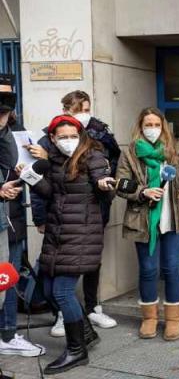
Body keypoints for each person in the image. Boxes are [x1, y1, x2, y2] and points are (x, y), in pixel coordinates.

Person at [28, 115, 116, 374]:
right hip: (58, 233)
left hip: (81, 234)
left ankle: (77, 350)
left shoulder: (93, 156)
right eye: (62, 137)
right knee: (46, 288)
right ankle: (85, 333)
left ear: (81, 136)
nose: (68, 141)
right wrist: (31, 177)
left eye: (72, 136)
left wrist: (103, 184)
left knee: (62, 291)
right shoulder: (55, 160)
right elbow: (53, 193)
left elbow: (105, 184)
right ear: (53, 139)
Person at [116, 107, 179, 341]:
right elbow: (120, 183)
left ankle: (174, 319)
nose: (153, 129)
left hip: (175, 218)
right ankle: (149, 318)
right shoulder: (130, 152)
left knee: (171, 267)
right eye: (148, 124)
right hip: (143, 219)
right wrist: (142, 191)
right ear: (140, 126)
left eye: (157, 124)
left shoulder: (175, 146)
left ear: (163, 126)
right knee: (148, 269)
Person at [0, 75, 45, 358]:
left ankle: (7, 333)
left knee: (9, 276)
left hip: (12, 218)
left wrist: (39, 159)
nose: (3, 104)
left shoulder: (15, 128)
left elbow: (23, 169)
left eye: (7, 98)